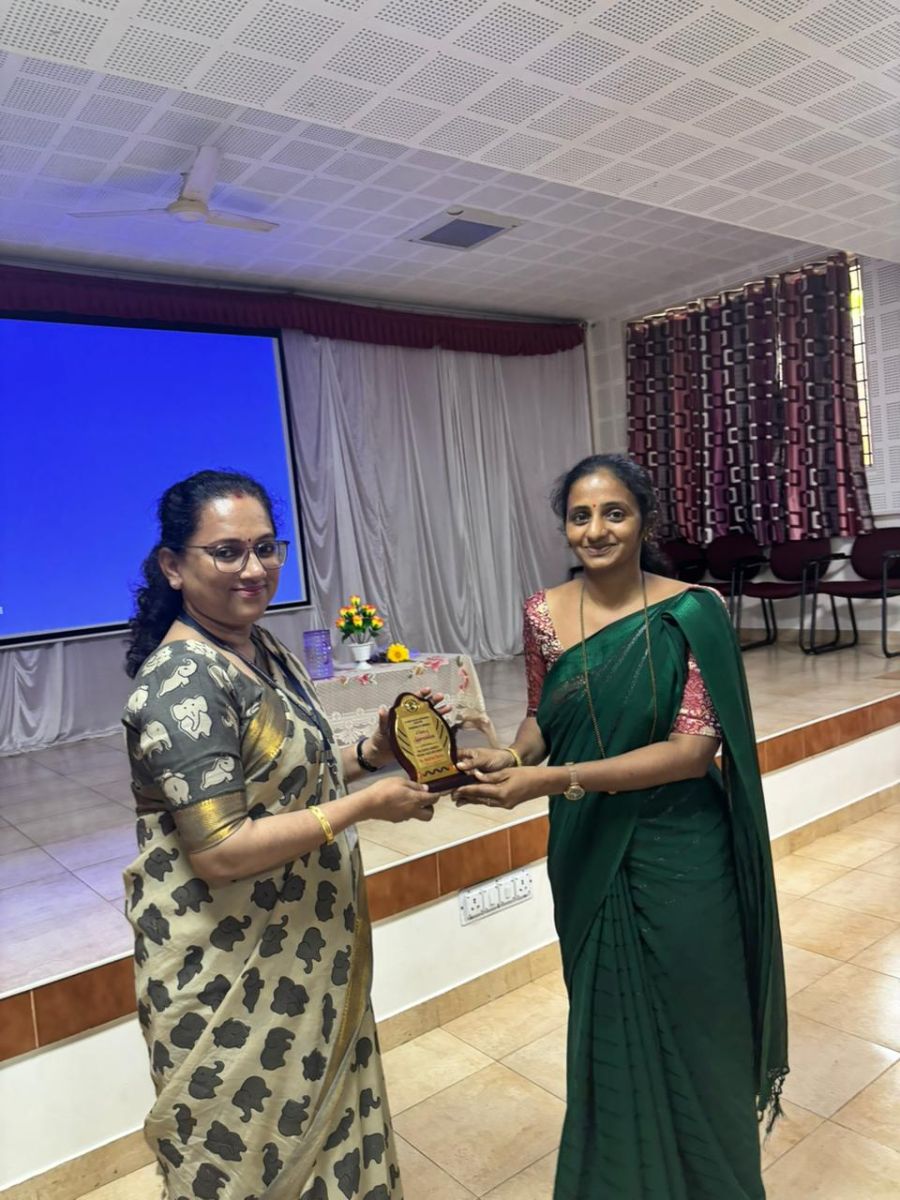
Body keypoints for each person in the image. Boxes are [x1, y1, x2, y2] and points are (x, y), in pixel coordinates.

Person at [455, 454, 787, 1200]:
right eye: (580, 516)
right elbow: (545, 715)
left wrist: (549, 781)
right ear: (565, 528)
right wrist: (513, 756)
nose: (596, 530)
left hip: (682, 847)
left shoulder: (692, 611)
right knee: (608, 1019)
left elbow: (692, 752)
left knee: (700, 1019)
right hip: (588, 846)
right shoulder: (543, 613)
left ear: (644, 521)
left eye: (615, 513)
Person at [122, 469, 437, 1200]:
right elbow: (220, 849)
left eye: (266, 548)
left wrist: (374, 754)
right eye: (227, 551)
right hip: (228, 970)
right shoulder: (181, 682)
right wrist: (365, 807)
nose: (254, 568)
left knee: (327, 1130)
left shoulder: (262, 649)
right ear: (173, 566)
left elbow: (295, 778)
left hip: (307, 947)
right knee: (242, 1160)